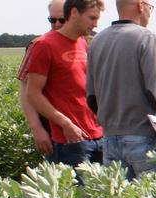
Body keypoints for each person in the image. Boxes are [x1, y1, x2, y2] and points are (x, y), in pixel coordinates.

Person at [87, 0, 156, 180]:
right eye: (150, 6)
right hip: (143, 137)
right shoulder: (146, 37)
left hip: (109, 138)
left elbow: (91, 97)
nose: (149, 11)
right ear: (140, 5)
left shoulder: (96, 41)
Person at [25, 0, 104, 169]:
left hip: (98, 135)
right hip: (70, 141)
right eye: (91, 18)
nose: (96, 24)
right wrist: (65, 124)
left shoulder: (83, 43)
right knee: (78, 195)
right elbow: (32, 94)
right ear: (74, 12)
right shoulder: (44, 45)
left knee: (101, 195)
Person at [18, 0, 65, 157]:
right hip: (52, 129)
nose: (57, 24)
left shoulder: (85, 44)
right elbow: (26, 93)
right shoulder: (38, 45)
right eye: (52, 20)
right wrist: (37, 128)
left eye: (62, 20)